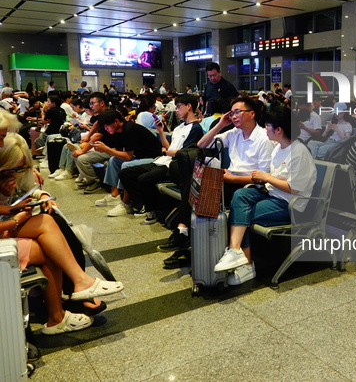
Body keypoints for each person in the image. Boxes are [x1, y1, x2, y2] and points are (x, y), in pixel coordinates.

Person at [0, 133, 124, 334]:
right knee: (49, 238)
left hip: (8, 225)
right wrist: (15, 217)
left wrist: (40, 194)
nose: (2, 140)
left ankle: (73, 290)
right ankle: (66, 300)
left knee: (52, 221)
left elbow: (23, 193)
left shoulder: (10, 169)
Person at [214, 106, 316, 285]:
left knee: (241, 215)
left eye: (268, 126)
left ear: (279, 130)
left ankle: (244, 264)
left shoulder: (299, 152)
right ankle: (235, 250)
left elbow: (294, 188)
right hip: (272, 194)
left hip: (289, 204)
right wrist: (264, 182)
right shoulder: (279, 148)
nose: (265, 128)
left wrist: (266, 177)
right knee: (241, 194)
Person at [157, 96, 273, 253]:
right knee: (195, 184)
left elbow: (263, 178)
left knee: (198, 190)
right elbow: (202, 144)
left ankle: (187, 237)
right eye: (231, 113)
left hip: (248, 186)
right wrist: (221, 124)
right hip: (228, 180)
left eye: (238, 112)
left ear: (252, 114)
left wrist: (232, 178)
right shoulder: (234, 133)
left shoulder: (264, 138)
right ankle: (186, 234)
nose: (233, 116)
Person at [119, 94, 204, 223]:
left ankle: (153, 210)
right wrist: (160, 131)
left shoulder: (196, 129)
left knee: (144, 179)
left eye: (179, 107)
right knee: (125, 173)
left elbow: (184, 154)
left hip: (174, 165)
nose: (177, 110)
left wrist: (166, 153)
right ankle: (142, 205)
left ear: (189, 106)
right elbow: (169, 147)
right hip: (164, 161)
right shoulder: (179, 127)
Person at [90, 109, 162, 215]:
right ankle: (114, 195)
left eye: (107, 125)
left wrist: (106, 149)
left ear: (116, 121)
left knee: (126, 165)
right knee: (113, 160)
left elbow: (128, 157)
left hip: (154, 158)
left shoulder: (129, 129)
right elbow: (119, 151)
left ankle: (126, 204)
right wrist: (103, 149)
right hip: (139, 157)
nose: (105, 129)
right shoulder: (117, 131)